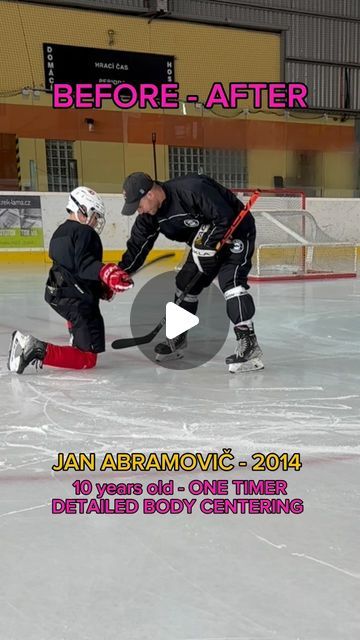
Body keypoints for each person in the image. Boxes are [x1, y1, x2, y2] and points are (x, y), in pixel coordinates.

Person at [119, 172, 263, 373]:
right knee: (185, 283)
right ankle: (178, 338)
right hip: (204, 243)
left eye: (138, 205)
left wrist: (210, 243)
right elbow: (137, 247)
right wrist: (120, 273)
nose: (138, 211)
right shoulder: (149, 217)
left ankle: (249, 344)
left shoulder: (193, 188)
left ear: (150, 194)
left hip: (236, 231)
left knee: (231, 283)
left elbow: (225, 216)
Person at [8, 186, 133, 374]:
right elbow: (85, 265)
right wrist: (106, 272)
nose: (96, 220)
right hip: (77, 301)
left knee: (77, 317)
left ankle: (75, 336)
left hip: (57, 294)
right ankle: (34, 347)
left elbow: (73, 269)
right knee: (87, 358)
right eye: (94, 214)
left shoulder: (60, 232)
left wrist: (100, 288)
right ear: (81, 209)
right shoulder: (85, 233)